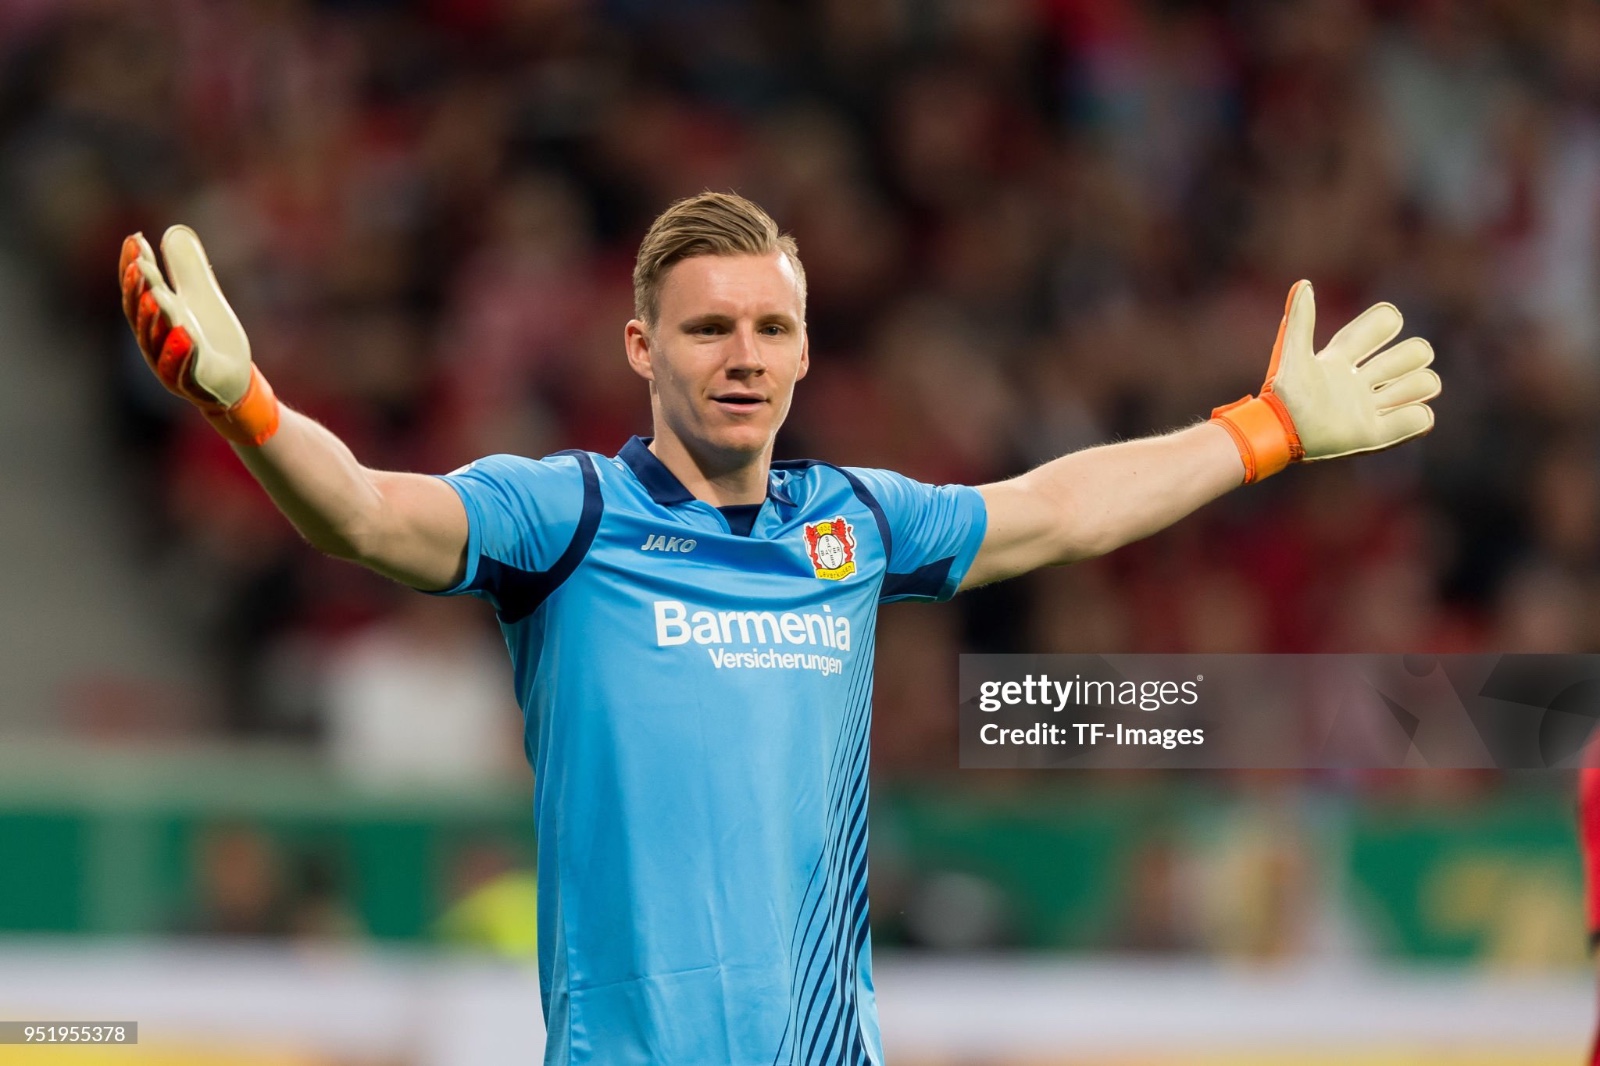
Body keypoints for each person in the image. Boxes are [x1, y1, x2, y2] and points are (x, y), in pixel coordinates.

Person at [118, 192, 1440, 1065]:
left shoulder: (853, 525)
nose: (742, 353)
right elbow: (365, 516)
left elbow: (1059, 508)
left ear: (805, 352)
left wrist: (1260, 432)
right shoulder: (566, 515)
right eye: (707, 328)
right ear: (641, 347)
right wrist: (252, 411)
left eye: (771, 327)